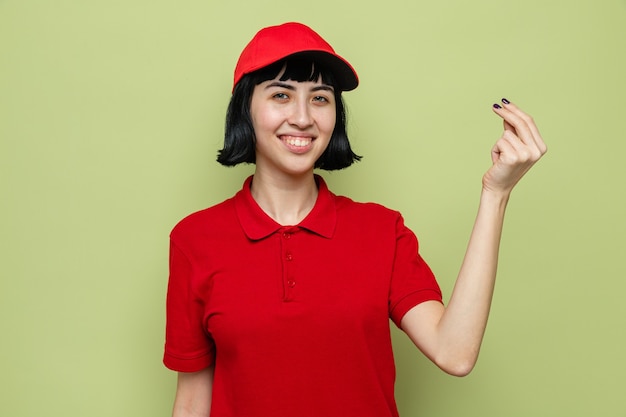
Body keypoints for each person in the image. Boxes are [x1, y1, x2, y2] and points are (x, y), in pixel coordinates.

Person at [163, 22, 547, 417]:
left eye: (320, 99)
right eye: (281, 95)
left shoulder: (382, 231)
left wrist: (496, 193)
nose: (302, 117)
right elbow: (192, 401)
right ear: (245, 107)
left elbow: (455, 353)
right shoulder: (196, 239)